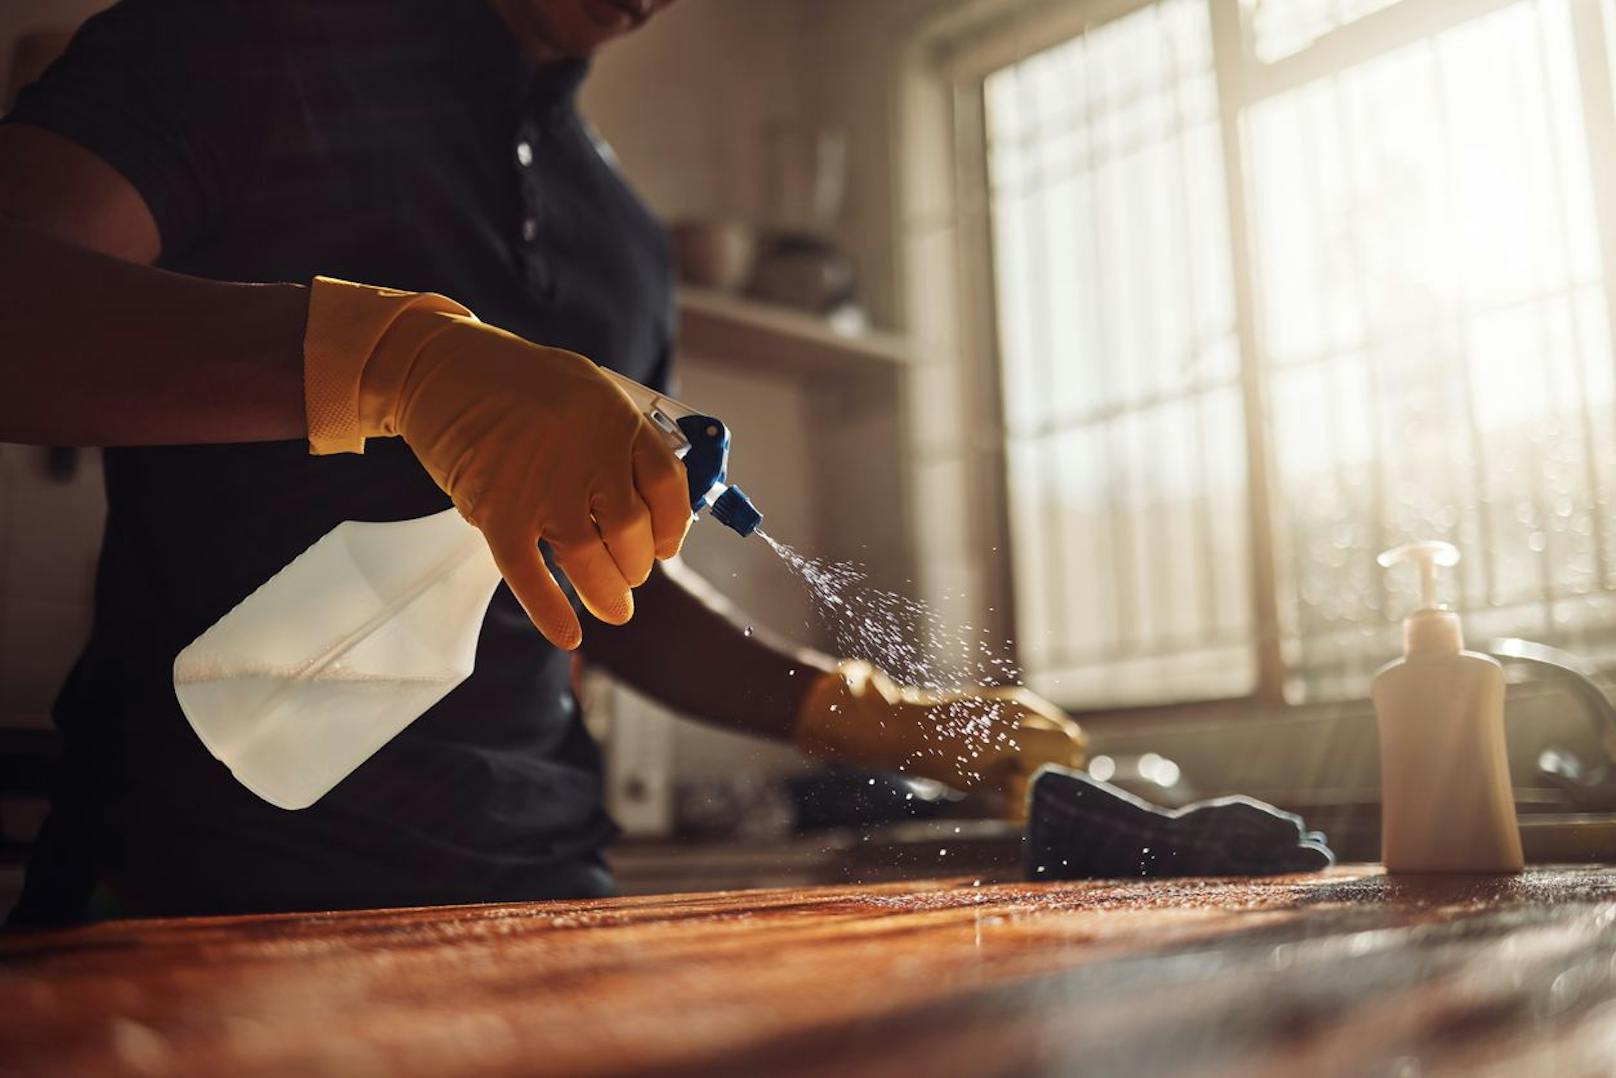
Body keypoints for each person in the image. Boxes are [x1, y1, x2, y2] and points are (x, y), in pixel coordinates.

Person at [0, 0, 1086, 923]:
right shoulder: (238, 39)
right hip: (194, 881)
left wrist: (871, 714)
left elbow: (606, 577)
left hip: (540, 887)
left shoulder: (622, 240)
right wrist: (390, 363)